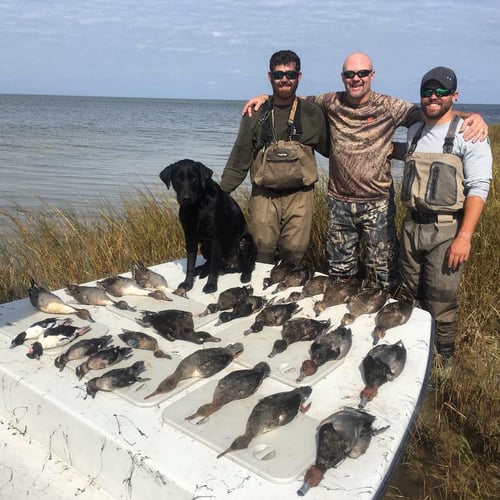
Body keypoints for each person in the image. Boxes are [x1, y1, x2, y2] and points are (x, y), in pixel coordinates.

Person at [244, 52, 488, 292]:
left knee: (381, 277)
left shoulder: (390, 106)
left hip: (378, 206)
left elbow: (434, 112)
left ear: (372, 75)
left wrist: (472, 116)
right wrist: (265, 98)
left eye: (362, 73)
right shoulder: (331, 101)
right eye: (350, 74)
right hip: (339, 204)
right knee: (340, 275)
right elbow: (293, 99)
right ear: (343, 77)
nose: (356, 78)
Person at [399, 66, 492, 365]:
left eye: (441, 91)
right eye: (428, 91)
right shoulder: (413, 131)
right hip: (412, 227)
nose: (433, 97)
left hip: (447, 231)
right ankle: (413, 353)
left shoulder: (470, 134)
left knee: (441, 301)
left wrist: (464, 237)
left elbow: (479, 187)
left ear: (454, 95)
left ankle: (443, 364)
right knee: (410, 295)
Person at [220, 50, 329, 264]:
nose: (284, 80)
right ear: (270, 77)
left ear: (299, 76)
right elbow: (239, 158)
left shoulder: (313, 113)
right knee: (261, 250)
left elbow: (332, 150)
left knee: (294, 252)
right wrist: (218, 196)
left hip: (301, 195)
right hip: (264, 195)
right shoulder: (255, 113)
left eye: (290, 74)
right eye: (278, 75)